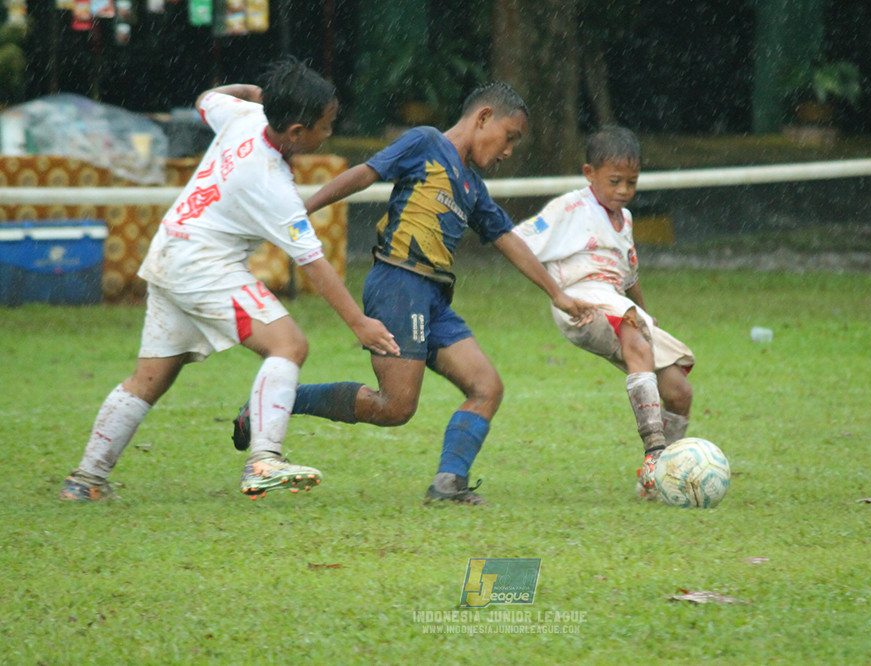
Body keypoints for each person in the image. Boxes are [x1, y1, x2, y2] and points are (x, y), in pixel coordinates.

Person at [231, 81, 596, 505]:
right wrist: (302, 209)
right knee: (395, 407)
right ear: (482, 119)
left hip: (435, 298)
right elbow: (364, 175)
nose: (509, 151)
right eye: (509, 136)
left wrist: (558, 293)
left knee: (486, 387)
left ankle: (448, 485)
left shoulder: (472, 187)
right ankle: (272, 405)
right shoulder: (425, 142)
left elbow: (509, 239)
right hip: (398, 284)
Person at [59, 57, 399, 502]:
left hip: (170, 251)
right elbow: (313, 263)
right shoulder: (272, 184)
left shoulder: (245, 116)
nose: (329, 134)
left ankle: (85, 481)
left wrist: (260, 96)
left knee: (149, 379)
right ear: (297, 132)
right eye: (326, 126)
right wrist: (360, 323)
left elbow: (207, 100)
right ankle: (263, 460)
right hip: (202, 265)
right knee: (288, 345)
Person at [512, 126, 695, 500]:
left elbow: (630, 276)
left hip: (617, 304)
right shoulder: (570, 208)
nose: (624, 191)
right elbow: (514, 241)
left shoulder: (624, 219)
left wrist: (646, 314)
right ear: (588, 174)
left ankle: (659, 484)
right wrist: (557, 294)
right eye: (614, 181)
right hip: (581, 302)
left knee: (678, 391)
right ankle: (654, 456)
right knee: (630, 333)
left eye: (632, 182)